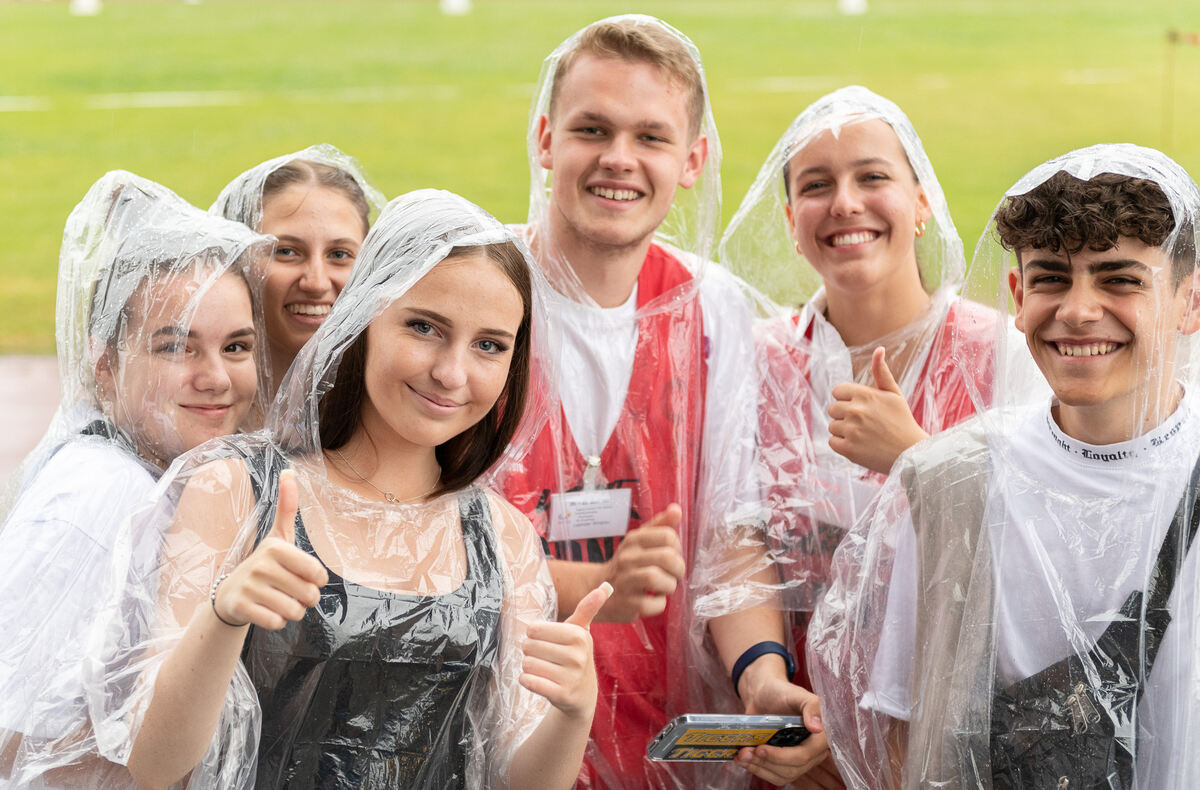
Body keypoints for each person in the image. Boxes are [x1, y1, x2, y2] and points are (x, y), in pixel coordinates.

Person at [65, 188, 611, 790]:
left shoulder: (503, 540)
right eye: (425, 327)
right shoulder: (238, 491)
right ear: (364, 318)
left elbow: (521, 782)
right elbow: (155, 764)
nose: (452, 373)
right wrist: (224, 617)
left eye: (489, 345)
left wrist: (571, 712)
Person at [807, 144, 1200, 789]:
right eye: (1051, 277)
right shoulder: (958, 480)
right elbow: (916, 730)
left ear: (1188, 302)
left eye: (1120, 279)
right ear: (1017, 295)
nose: (1077, 309)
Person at [492, 15, 818, 789]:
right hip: (499, 741)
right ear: (544, 138)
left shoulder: (714, 316)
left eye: (651, 137)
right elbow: (425, 535)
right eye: (592, 129)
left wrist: (762, 678)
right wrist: (591, 580)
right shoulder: (480, 290)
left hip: (666, 749)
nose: (618, 160)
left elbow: (732, 537)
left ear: (692, 159)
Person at [693, 88, 1028, 781]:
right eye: (817, 186)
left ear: (922, 201)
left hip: (947, 746)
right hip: (792, 752)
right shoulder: (755, 361)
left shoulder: (1003, 355)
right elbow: (736, 537)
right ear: (790, 221)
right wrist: (764, 684)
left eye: (872, 177)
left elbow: (1036, 562)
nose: (845, 202)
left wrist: (918, 460)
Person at [0, 170, 272, 787]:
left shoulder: (164, 480)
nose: (216, 378)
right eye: (177, 347)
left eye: (235, 347)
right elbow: (12, 737)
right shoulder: (98, 497)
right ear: (104, 367)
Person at [212, 144, 385, 390]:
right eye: (286, 252)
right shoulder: (196, 394)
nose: (316, 283)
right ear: (235, 259)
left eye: (339, 254)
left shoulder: (392, 400)